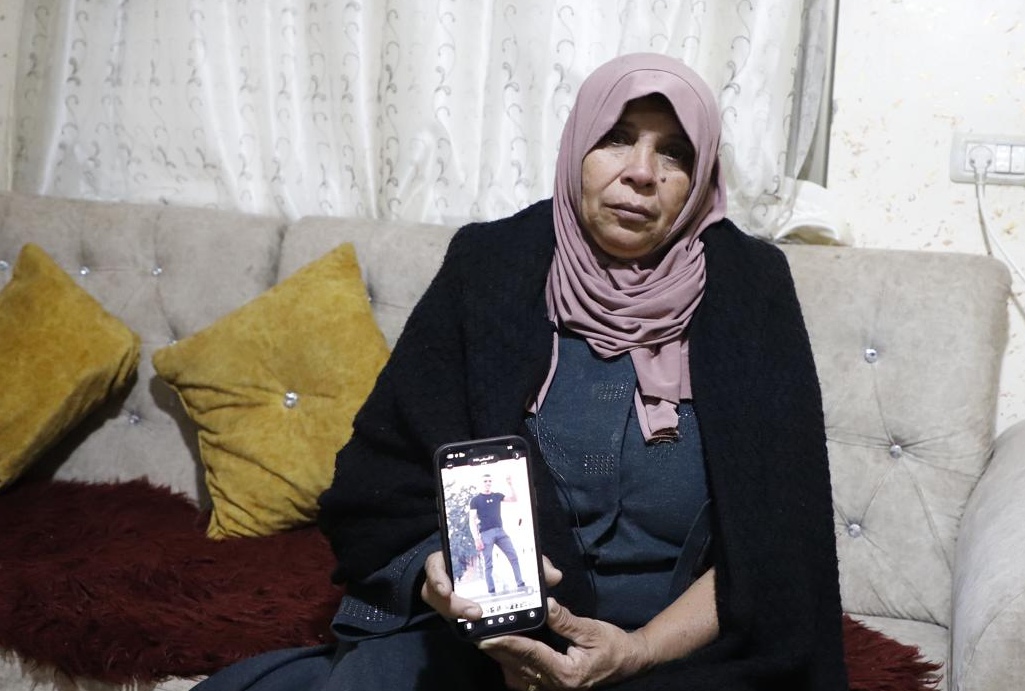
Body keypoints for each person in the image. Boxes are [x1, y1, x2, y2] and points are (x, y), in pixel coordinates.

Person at [194, 52, 847, 691]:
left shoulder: (750, 288)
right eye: (616, 139)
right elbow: (383, 476)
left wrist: (636, 651)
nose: (642, 173)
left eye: (673, 152)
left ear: (702, 174)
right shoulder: (490, 266)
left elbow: (777, 541)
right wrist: (455, 587)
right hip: (481, 633)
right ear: (576, 149)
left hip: (676, 648)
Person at [469, 474, 526, 594]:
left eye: (489, 481)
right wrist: (476, 539)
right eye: (485, 481)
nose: (488, 483)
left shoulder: (497, 496)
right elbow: (472, 520)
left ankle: (520, 582)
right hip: (485, 534)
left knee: (513, 556)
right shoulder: (475, 501)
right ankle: (491, 589)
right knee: (488, 564)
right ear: (481, 483)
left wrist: (510, 485)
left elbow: (514, 499)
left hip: (500, 531)